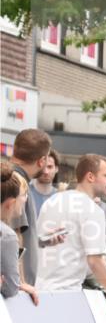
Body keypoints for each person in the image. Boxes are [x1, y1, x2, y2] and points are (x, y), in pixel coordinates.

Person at [35, 155, 106, 314]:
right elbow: (95, 261)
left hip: (39, 291)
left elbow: (37, 243)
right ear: (90, 176)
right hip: (67, 296)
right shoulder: (92, 210)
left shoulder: (52, 201)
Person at [8, 128, 63, 285]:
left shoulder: (11, 178)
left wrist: (40, 240)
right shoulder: (18, 182)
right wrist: (21, 283)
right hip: (14, 288)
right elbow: (14, 235)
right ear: (41, 161)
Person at [1, 162, 38, 304]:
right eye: (24, 194)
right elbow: (10, 289)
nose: (26, 199)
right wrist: (16, 284)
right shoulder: (7, 236)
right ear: (10, 203)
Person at [28, 150, 60, 215]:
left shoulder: (60, 196)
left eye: (50, 167)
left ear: (56, 169)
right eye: (42, 167)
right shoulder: (25, 193)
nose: (46, 172)